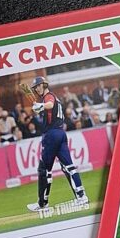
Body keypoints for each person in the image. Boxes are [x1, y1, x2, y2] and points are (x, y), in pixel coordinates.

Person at [24, 76, 89, 214]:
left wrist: (41, 106)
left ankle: (42, 203)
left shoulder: (49, 96)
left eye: (38, 86)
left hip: (51, 136)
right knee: (69, 167)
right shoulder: (55, 98)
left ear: (44, 85)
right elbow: (49, 110)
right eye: (35, 88)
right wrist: (40, 108)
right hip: (61, 134)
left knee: (44, 170)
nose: (36, 89)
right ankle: (82, 196)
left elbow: (49, 104)